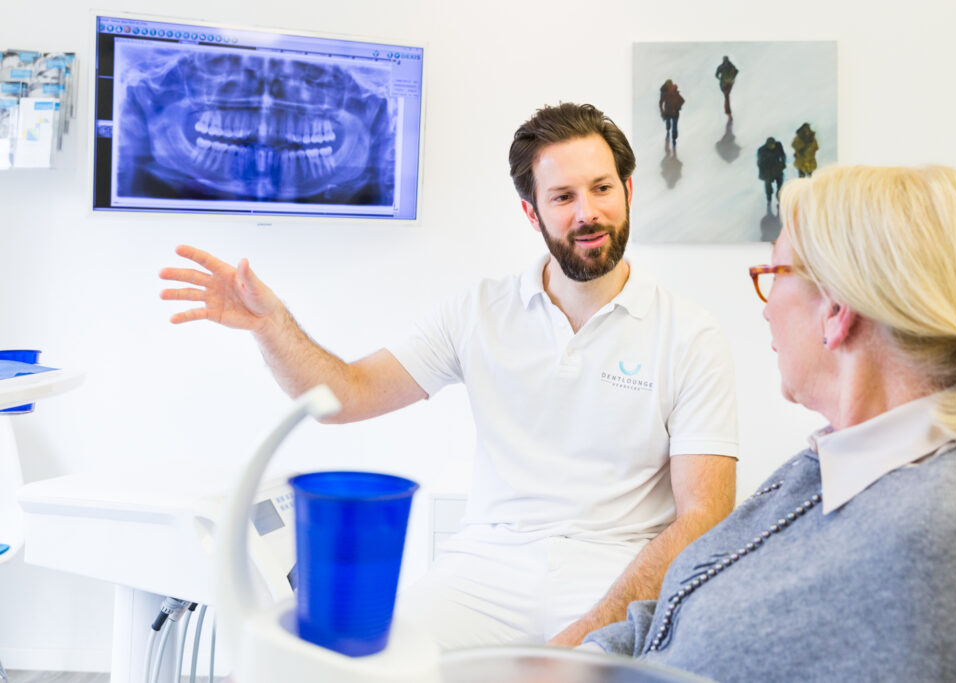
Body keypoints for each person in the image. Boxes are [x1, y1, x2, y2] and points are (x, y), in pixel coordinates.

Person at [160, 102, 740, 650]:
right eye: (563, 196)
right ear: (531, 212)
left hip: (617, 571)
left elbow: (703, 516)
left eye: (602, 188)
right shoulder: (477, 312)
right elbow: (343, 396)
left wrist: (589, 633)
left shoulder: (689, 334)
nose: (587, 212)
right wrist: (271, 326)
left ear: (628, 191)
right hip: (485, 570)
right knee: (364, 664)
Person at [583, 165, 956, 680]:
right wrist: (583, 659)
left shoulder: (946, 536)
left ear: (836, 311)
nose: (766, 312)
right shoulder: (833, 462)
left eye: (773, 275)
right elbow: (680, 609)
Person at [756, 137, 785, 204]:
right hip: (768, 171)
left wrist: (782, 164)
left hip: (777, 168)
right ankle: (769, 199)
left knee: (780, 185)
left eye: (773, 145)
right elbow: (760, 163)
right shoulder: (761, 150)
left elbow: (783, 155)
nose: (772, 146)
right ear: (767, 145)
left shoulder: (778, 146)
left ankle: (779, 196)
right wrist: (763, 174)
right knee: (768, 186)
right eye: (770, 145)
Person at [658, 79, 685, 148]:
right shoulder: (665, 93)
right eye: (669, 86)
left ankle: (673, 139)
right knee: (670, 125)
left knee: (674, 127)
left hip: (673, 112)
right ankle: (669, 134)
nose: (670, 87)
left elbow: (682, 100)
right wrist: (662, 111)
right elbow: (661, 103)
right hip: (669, 112)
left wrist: (677, 107)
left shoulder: (673, 92)